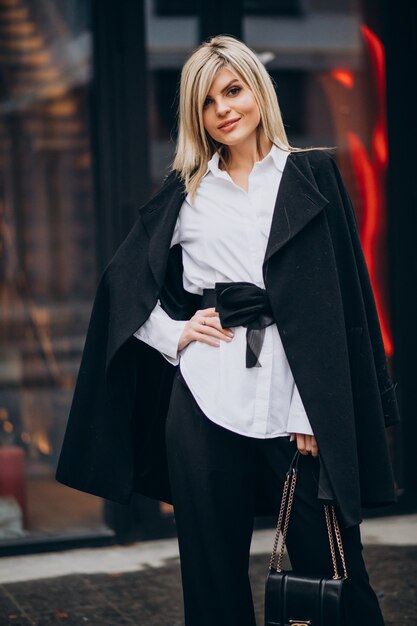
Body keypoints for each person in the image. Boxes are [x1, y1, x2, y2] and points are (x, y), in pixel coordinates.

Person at [55, 35, 400, 626]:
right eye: (208, 102)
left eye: (234, 90)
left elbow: (342, 305)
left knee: (332, 569)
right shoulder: (186, 195)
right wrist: (174, 333)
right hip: (203, 407)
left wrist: (311, 411)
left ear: (257, 91)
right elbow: (121, 287)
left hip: (297, 410)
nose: (224, 110)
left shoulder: (311, 175)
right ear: (197, 116)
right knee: (211, 580)